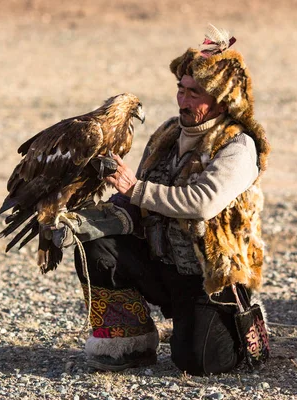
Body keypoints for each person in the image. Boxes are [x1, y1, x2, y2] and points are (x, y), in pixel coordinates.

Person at [54, 27, 270, 375]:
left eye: (194, 93)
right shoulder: (167, 134)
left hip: (209, 280)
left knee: (197, 363)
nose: (183, 100)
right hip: (160, 264)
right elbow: (133, 204)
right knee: (95, 243)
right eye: (180, 90)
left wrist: (134, 188)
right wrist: (81, 222)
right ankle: (130, 343)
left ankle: (238, 322)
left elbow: (202, 202)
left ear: (220, 99)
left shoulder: (237, 146)